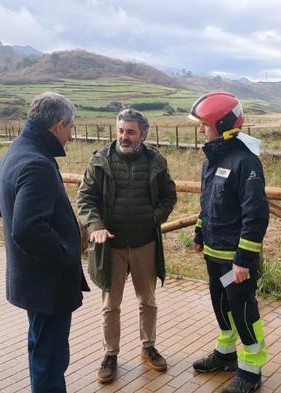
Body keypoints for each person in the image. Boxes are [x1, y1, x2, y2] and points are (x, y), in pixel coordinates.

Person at [0, 92, 90, 392]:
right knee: (50, 361)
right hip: (48, 284)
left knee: (41, 350)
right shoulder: (37, 162)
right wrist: (65, 252)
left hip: (33, 281)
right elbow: (28, 229)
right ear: (58, 125)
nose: (71, 135)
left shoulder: (18, 149)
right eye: (70, 128)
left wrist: (18, 221)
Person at [77, 108, 177, 384]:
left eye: (130, 132)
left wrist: (154, 219)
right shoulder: (99, 161)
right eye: (121, 130)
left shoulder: (156, 161)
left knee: (148, 301)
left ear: (143, 134)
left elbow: (169, 196)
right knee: (111, 305)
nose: (124, 136)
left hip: (145, 244)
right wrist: (95, 226)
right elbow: (85, 199)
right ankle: (110, 354)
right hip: (111, 248)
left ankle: (148, 347)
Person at [188, 92, 269, 393]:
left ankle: (251, 369)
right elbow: (207, 204)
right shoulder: (212, 160)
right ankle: (226, 354)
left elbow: (256, 216)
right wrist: (199, 233)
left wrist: (243, 261)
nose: (201, 130)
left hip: (235, 260)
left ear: (222, 124)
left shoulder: (246, 162)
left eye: (205, 125)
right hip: (214, 253)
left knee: (243, 309)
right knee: (220, 305)